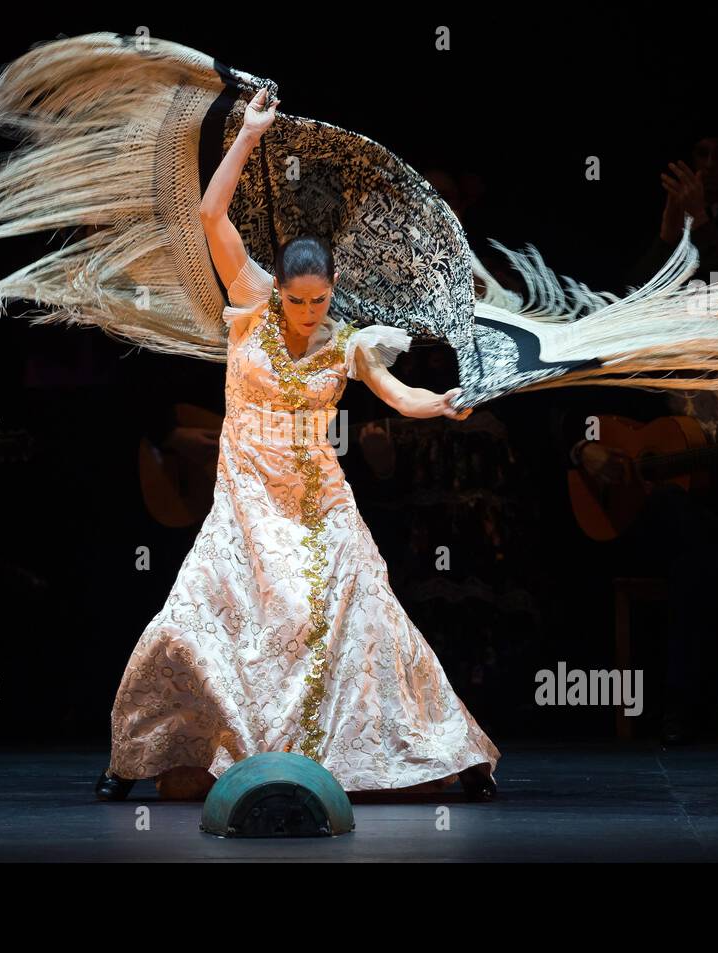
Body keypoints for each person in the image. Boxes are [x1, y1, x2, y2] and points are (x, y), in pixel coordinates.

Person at [96, 89, 501, 801]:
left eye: (319, 301)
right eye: (297, 301)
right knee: (190, 621)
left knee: (368, 614)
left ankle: (448, 754)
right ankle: (138, 756)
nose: (308, 313)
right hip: (245, 503)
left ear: (332, 290)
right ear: (278, 288)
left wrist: (439, 403)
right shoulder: (251, 307)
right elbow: (210, 216)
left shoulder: (348, 344)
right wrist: (249, 135)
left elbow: (399, 397)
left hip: (318, 508)